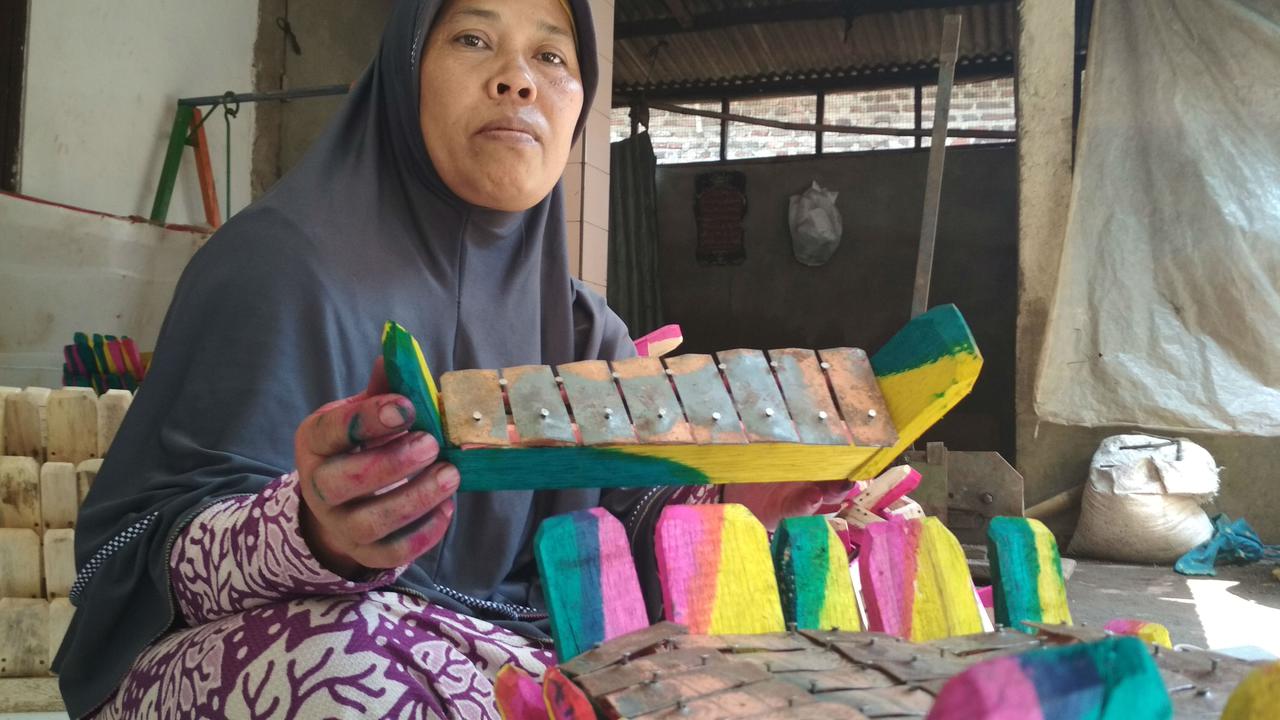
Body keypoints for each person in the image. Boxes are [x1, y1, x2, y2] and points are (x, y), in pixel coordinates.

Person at [55, 1, 850, 717]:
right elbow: (150, 562)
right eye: (473, 39)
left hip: (504, 656)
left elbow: (622, 525)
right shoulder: (276, 266)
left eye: (552, 56)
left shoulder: (583, 330)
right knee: (346, 669)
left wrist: (736, 497)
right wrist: (310, 530)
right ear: (405, 74)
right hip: (284, 654)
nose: (517, 80)